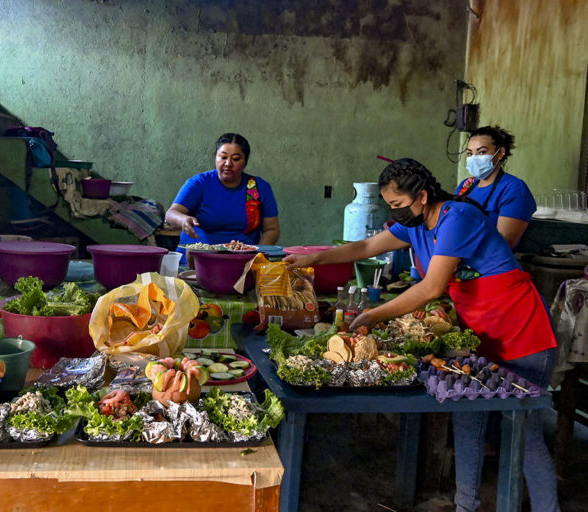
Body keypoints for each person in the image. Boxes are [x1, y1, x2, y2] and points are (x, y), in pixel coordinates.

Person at [285, 158, 559, 512]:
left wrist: (373, 315)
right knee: (467, 421)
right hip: (481, 335)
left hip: (522, 330)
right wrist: (312, 259)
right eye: (390, 206)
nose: (394, 213)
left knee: (525, 432)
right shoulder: (414, 225)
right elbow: (365, 248)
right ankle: (466, 506)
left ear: (423, 196)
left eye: (398, 205)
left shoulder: (455, 217)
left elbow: (431, 288)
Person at [165, 133, 279, 261]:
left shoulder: (259, 188)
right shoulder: (199, 183)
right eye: (223, 157)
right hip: (196, 260)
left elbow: (271, 229)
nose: (228, 163)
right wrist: (183, 220)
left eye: (236, 159)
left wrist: (258, 257)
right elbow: (171, 213)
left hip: (242, 261)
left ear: (245, 161)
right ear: (216, 158)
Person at [456, 125, 536, 249]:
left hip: (491, 263)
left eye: (482, 152)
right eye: (469, 153)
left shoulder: (513, 189)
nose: (474, 158)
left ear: (500, 153)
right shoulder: (466, 185)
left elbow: (504, 243)